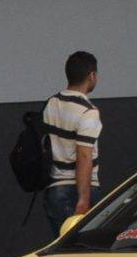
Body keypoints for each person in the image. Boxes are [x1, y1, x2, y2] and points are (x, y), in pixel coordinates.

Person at [41, 51, 102, 235]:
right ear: (92, 76)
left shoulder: (52, 103)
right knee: (86, 248)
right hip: (77, 191)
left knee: (61, 248)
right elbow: (84, 156)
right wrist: (83, 200)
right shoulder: (88, 111)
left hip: (54, 190)